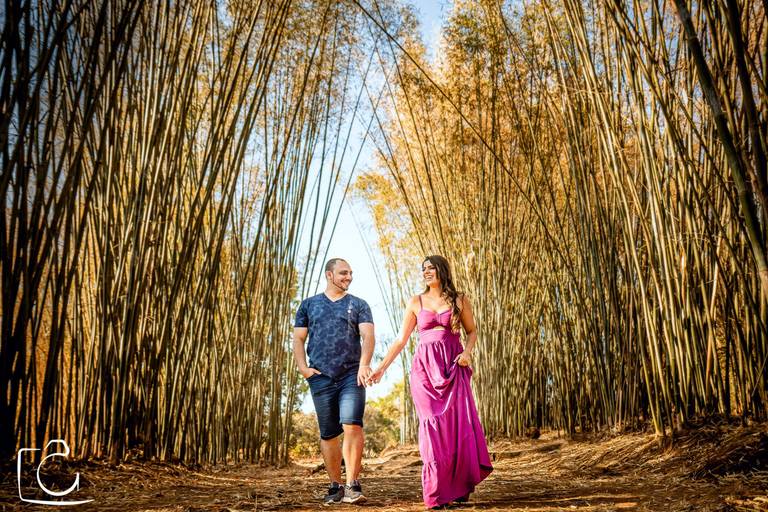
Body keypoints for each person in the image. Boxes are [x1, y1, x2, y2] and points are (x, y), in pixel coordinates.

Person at [367, 255, 492, 509]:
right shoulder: (416, 301)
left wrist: (467, 353)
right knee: (432, 429)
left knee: (456, 427)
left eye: (430, 268)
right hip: (424, 370)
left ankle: (458, 487)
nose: (425, 272)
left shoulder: (459, 299)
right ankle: (436, 493)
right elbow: (401, 340)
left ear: (441, 270)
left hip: (452, 367)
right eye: (423, 269)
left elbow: (472, 331)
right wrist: (381, 368)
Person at [293, 258, 375, 506]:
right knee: (328, 433)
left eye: (350, 273)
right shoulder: (309, 305)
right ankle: (335, 485)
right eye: (343, 273)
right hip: (321, 377)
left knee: (352, 424)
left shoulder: (359, 304)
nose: (348, 277)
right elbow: (298, 339)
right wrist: (304, 369)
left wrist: (364, 365)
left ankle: (352, 484)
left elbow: (368, 336)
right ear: (329, 275)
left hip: (351, 374)